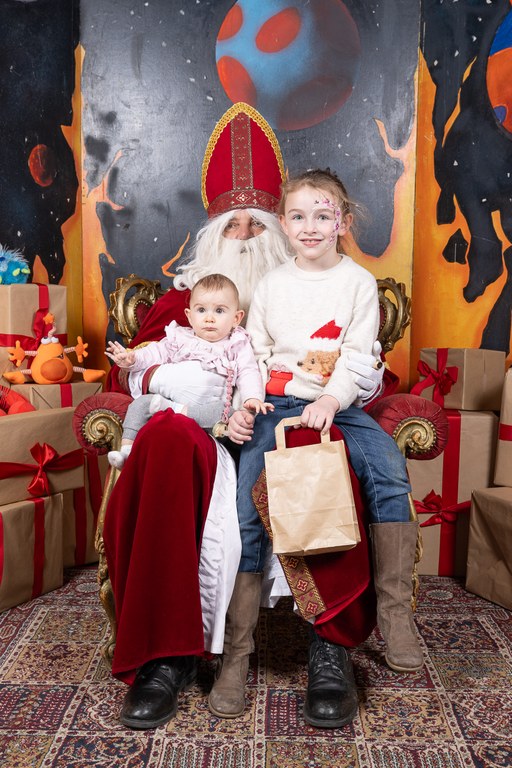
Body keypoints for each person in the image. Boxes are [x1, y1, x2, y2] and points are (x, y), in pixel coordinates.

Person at [103, 103, 387, 731]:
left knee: (317, 439)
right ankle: (166, 654)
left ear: (279, 231)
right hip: (205, 433)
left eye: (255, 224)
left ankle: (329, 643)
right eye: (230, 226)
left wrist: (339, 387)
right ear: (210, 238)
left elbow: (362, 366)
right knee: (166, 437)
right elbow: (131, 374)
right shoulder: (182, 304)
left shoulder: (323, 290)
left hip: (282, 419)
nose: (244, 236)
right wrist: (170, 383)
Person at [208, 169, 422, 729]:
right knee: (251, 503)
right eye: (299, 216)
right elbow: (253, 352)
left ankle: (395, 614)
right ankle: (237, 654)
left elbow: (358, 354)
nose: (310, 227)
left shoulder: (358, 283)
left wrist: (331, 399)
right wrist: (246, 403)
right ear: (284, 223)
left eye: (322, 216)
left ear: (342, 223)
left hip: (337, 403)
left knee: (388, 470)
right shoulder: (272, 285)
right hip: (275, 404)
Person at [104, 274, 273, 470]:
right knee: (140, 404)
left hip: (210, 414)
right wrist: (132, 359)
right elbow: (154, 352)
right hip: (174, 402)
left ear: (236, 318)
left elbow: (248, 371)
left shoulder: (236, 343)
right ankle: (126, 451)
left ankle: (173, 410)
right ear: (190, 316)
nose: (209, 318)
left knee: (224, 413)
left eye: (219, 311)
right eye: (201, 310)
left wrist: (252, 397)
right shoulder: (180, 338)